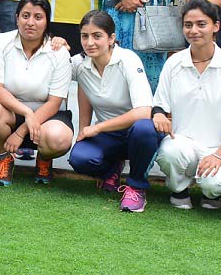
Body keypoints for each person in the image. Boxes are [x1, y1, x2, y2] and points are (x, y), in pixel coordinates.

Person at [152, 0, 221, 211]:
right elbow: (159, 105)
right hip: (184, 144)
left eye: (201, 24)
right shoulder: (174, 63)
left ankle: (211, 193)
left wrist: (220, 154)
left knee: (212, 184)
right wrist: (158, 114)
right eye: (188, 25)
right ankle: (179, 190)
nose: (194, 31)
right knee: (169, 153)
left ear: (215, 26)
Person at [66, 11, 160, 213]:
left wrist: (96, 127)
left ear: (111, 38)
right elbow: (54, 63)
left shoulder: (127, 60)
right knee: (79, 158)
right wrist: (55, 44)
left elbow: (144, 111)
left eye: (97, 36)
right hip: (109, 137)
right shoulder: (79, 64)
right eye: (85, 36)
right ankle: (112, 167)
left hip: (137, 133)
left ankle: (136, 186)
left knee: (144, 129)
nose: (90, 42)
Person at [0, 0, 73, 186]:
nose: (31, 22)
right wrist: (26, 113)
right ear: (16, 17)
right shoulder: (0, 42)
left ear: (46, 21)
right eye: (25, 15)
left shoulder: (59, 52)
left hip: (47, 116)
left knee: (58, 138)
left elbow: (54, 103)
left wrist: (21, 131)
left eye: (38, 17)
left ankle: (44, 159)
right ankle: (4, 157)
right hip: (11, 112)